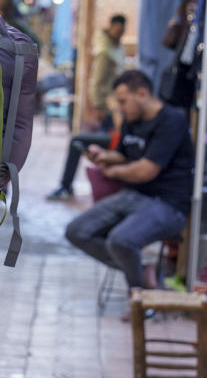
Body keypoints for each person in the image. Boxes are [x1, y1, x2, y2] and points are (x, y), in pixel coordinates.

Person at [65, 70, 192, 293]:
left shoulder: (172, 120)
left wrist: (111, 172)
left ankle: (140, 296)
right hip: (132, 196)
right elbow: (123, 154)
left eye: (123, 101)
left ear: (142, 93)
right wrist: (104, 155)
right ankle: (142, 271)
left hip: (168, 204)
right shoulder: (131, 119)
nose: (120, 108)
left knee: (121, 240)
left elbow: (145, 171)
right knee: (77, 230)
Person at [47, 14, 127, 200]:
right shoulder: (105, 51)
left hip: (113, 114)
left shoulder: (117, 47)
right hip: (108, 109)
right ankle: (67, 186)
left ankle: (67, 186)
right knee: (84, 141)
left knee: (80, 142)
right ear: (113, 26)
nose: (121, 33)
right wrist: (100, 107)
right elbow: (97, 83)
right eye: (119, 29)